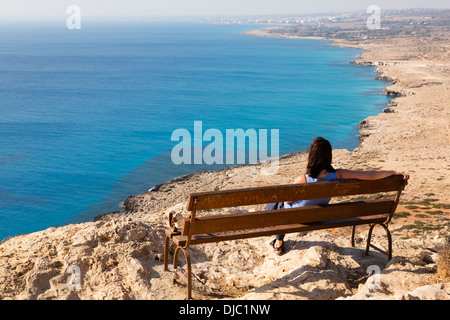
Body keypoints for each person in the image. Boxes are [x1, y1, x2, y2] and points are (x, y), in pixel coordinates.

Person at [270, 136, 409, 255]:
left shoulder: (303, 179)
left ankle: (278, 241)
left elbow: (288, 201)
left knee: (276, 202)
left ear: (311, 156)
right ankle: (278, 239)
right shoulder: (338, 174)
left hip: (297, 218)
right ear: (329, 156)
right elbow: (370, 175)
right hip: (319, 217)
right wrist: (393, 172)